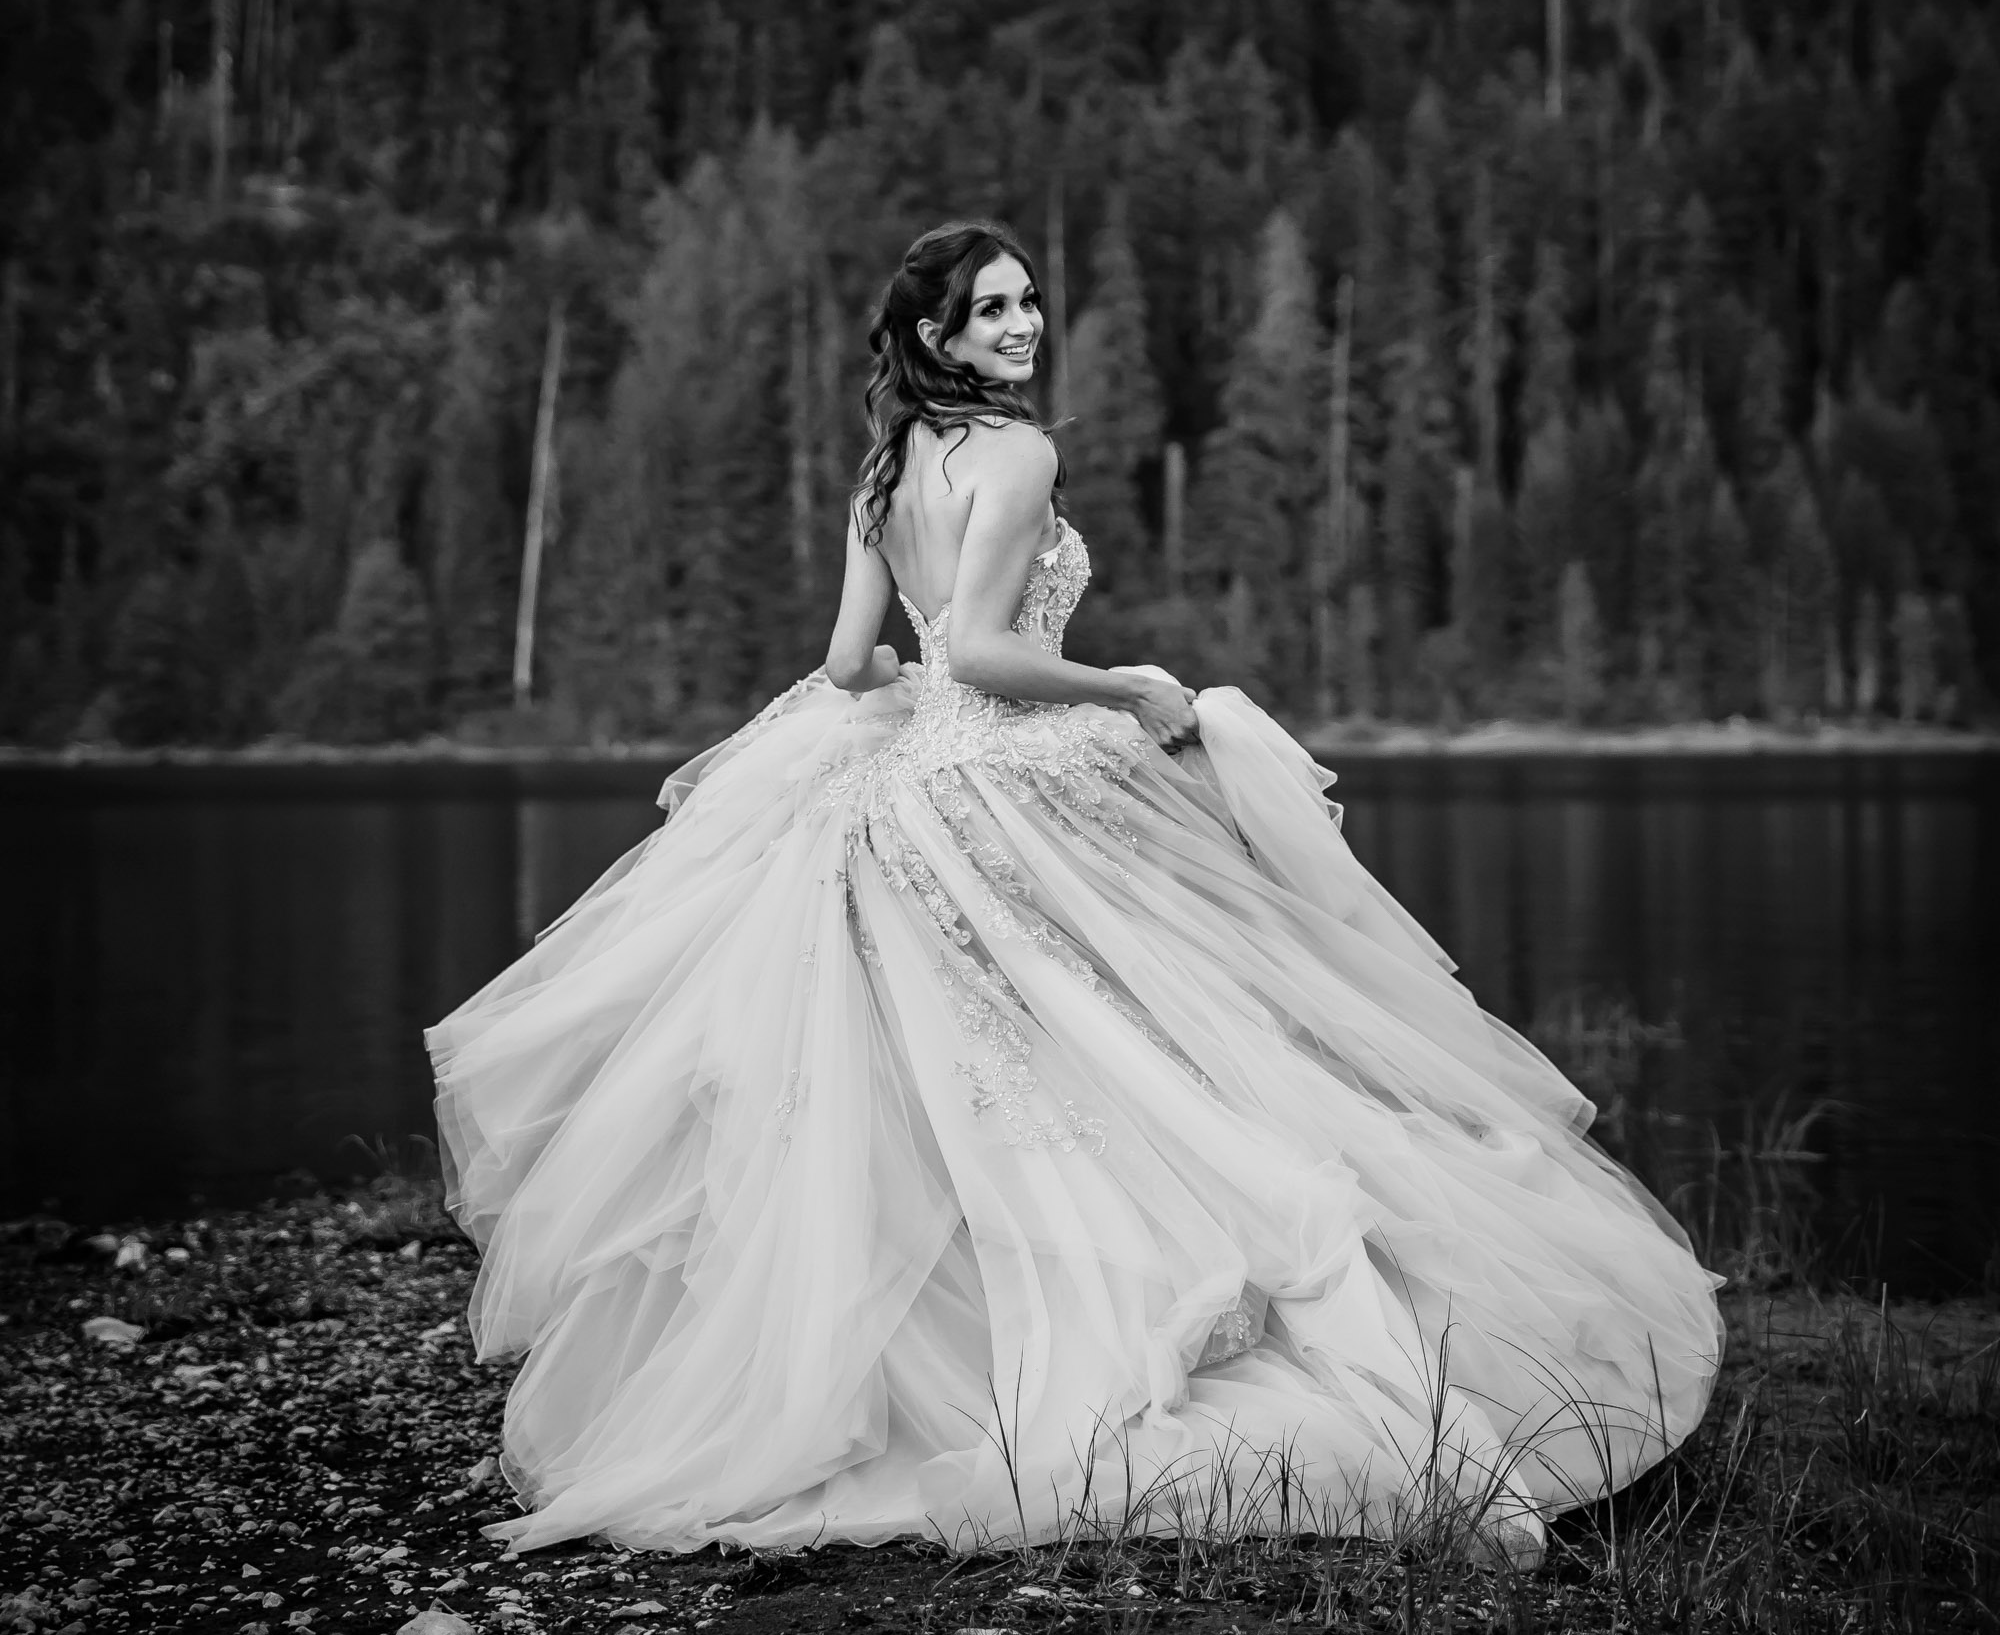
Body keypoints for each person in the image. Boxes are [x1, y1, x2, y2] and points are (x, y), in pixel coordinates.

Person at [429, 218, 1721, 1562]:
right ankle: (1148, 1322)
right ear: (935, 336)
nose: (1022, 326)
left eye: (1029, 301)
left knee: (984, 1075)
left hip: (902, 790)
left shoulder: (887, 468)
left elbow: (856, 660)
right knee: (1117, 1046)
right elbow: (987, 653)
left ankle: (954, 1349)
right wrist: (1127, 688)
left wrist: (894, 713)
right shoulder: (1021, 452)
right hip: (1000, 785)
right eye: (991, 311)